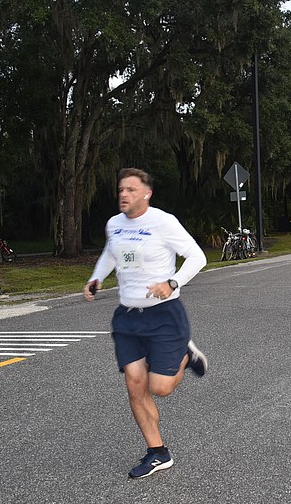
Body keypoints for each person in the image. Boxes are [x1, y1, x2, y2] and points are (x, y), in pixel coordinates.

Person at [83, 167, 208, 479]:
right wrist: (96, 278)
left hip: (163, 314)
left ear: (146, 193)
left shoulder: (163, 222)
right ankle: (157, 452)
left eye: (130, 190)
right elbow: (110, 254)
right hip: (127, 318)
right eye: (121, 189)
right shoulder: (114, 224)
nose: (123, 195)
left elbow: (197, 257)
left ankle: (185, 354)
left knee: (160, 388)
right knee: (135, 384)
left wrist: (173, 282)